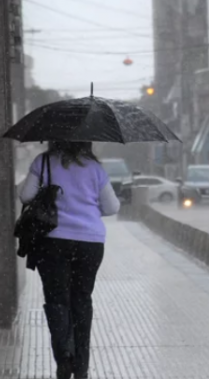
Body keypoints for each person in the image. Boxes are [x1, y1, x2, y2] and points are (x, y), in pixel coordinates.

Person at [19, 141, 120, 379]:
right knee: (82, 300)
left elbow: (25, 196)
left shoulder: (43, 162)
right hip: (90, 242)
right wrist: (88, 209)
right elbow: (112, 206)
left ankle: (64, 357)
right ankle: (82, 366)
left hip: (53, 241)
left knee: (57, 302)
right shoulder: (95, 168)